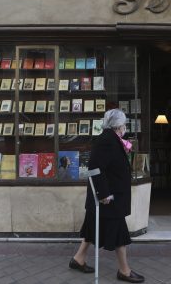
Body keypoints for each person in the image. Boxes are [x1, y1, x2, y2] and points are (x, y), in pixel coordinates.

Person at [69, 109, 144, 283]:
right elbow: (95, 168)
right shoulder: (107, 140)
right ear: (118, 125)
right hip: (108, 198)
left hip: (107, 196)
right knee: (120, 233)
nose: (125, 127)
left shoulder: (111, 139)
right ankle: (124, 271)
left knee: (91, 227)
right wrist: (103, 194)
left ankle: (78, 259)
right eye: (124, 124)